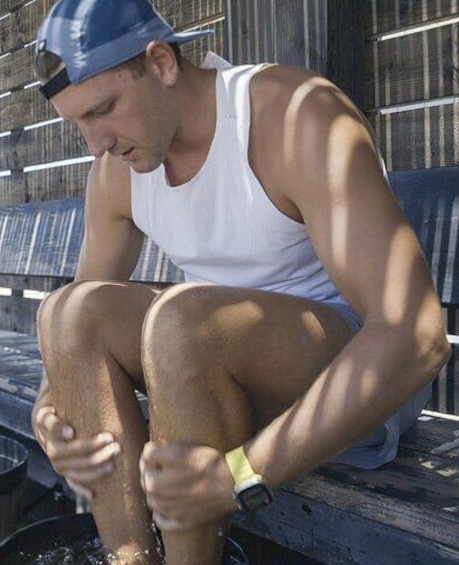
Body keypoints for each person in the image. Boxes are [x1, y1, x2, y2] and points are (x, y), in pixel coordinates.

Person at [29, 0, 451, 563]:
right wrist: (47, 409)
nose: (96, 143)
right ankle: (128, 557)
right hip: (211, 375)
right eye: (79, 122)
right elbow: (74, 336)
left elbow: (414, 338)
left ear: (160, 63)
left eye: (104, 109)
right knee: (69, 311)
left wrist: (241, 475)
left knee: (182, 321)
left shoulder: (292, 114)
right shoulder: (115, 173)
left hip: (354, 391)